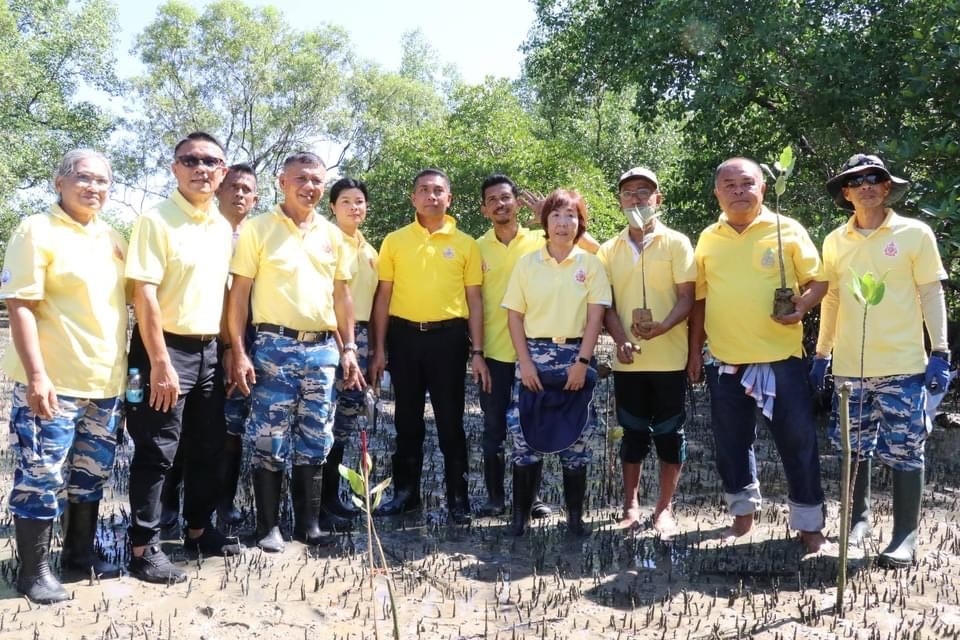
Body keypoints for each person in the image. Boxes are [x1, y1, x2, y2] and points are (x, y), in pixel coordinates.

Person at [0, 150, 127, 603]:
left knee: (91, 475)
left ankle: (78, 555)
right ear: (59, 182)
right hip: (53, 382)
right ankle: (33, 572)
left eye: (102, 181)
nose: (94, 188)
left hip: (105, 383)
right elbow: (20, 305)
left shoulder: (112, 237)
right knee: (41, 475)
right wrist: (37, 375)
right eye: (83, 178)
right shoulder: (36, 230)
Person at [687, 157, 829, 553]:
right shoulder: (708, 238)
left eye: (746, 183)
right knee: (731, 442)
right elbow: (700, 300)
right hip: (725, 359)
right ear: (717, 193)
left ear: (763, 188)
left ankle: (810, 525)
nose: (738, 191)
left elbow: (818, 280)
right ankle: (742, 516)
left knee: (798, 440)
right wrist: (695, 351)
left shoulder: (787, 228)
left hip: (781, 356)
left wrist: (802, 306)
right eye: (729, 185)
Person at [813, 154, 948, 567]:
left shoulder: (915, 233)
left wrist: (940, 351)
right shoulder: (835, 241)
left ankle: (905, 536)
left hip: (903, 364)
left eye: (875, 178)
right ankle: (859, 520)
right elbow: (832, 299)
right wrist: (821, 353)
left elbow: (931, 292)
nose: (866, 185)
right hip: (850, 367)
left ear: (887, 187)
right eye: (857, 181)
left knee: (906, 449)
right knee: (852, 448)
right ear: (846, 193)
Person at [228, 152, 361, 552]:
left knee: (316, 436)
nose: (310, 187)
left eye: (317, 180)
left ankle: (308, 525)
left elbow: (342, 296)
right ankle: (268, 527)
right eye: (301, 179)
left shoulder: (332, 235)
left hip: (322, 351)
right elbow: (239, 296)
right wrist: (238, 350)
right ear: (282, 182)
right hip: (274, 348)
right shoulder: (258, 229)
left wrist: (349, 347)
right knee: (269, 437)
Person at [125, 131, 239, 584]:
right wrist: (159, 362)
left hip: (208, 350)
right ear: (175, 169)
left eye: (210, 161)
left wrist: (227, 349)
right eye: (190, 160)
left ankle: (198, 530)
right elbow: (144, 294)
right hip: (162, 349)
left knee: (209, 446)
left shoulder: (221, 227)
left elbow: (224, 294)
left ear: (222, 171)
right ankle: (144, 548)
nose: (200, 168)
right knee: (157, 451)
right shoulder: (155, 220)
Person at [369, 169, 490, 526]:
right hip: (404, 337)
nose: (431, 196)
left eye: (438, 191)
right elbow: (383, 297)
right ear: (413, 198)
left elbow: (475, 299)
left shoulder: (466, 244)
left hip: (448, 339)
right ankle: (405, 494)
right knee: (406, 421)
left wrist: (477, 351)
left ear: (449, 198)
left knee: (451, 421)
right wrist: (379, 348)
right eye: (423, 190)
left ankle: (458, 499)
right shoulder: (395, 241)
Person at [501, 188, 611, 537]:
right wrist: (525, 363)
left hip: (575, 356)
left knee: (576, 440)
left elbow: (595, 318)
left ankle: (575, 521)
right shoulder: (527, 264)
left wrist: (582, 361)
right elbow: (515, 316)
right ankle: (519, 520)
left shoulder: (590, 265)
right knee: (524, 439)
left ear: (581, 223)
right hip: (534, 356)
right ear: (545, 222)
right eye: (556, 216)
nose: (563, 223)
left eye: (571, 216)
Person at [158, 163, 260, 534]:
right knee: (182, 426)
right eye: (232, 186)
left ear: (256, 199)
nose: (239, 194)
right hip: (196, 342)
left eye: (247, 189)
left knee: (229, 428)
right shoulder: (200, 229)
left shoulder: (259, 235)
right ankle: (168, 502)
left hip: (243, 344)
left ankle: (223, 502)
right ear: (219, 190)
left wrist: (238, 347)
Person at [597, 167, 695, 536]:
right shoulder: (609, 249)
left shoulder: (677, 243)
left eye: (644, 192)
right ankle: (630, 506)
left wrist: (664, 327)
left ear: (658, 198)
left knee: (670, 435)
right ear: (620, 201)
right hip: (629, 361)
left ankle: (664, 509)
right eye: (628, 193)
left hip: (670, 359)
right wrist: (621, 339)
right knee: (632, 433)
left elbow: (687, 298)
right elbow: (606, 305)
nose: (636, 199)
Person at [474, 175, 553, 519]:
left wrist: (547, 217)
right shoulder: (476, 248)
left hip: (534, 354)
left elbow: (589, 251)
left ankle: (532, 498)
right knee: (493, 428)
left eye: (505, 197)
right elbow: (473, 303)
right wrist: (476, 353)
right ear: (484, 209)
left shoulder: (541, 239)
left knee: (533, 426)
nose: (500, 204)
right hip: (493, 353)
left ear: (517, 202)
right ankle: (495, 498)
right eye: (492, 200)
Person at [320, 177, 378, 528]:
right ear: (332, 207)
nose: (354, 207)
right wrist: (345, 347)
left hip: (364, 339)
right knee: (323, 421)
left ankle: (332, 497)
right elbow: (328, 300)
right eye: (346, 201)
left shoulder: (369, 250)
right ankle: (318, 505)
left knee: (345, 422)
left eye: (359, 201)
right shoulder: (326, 242)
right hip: (338, 340)